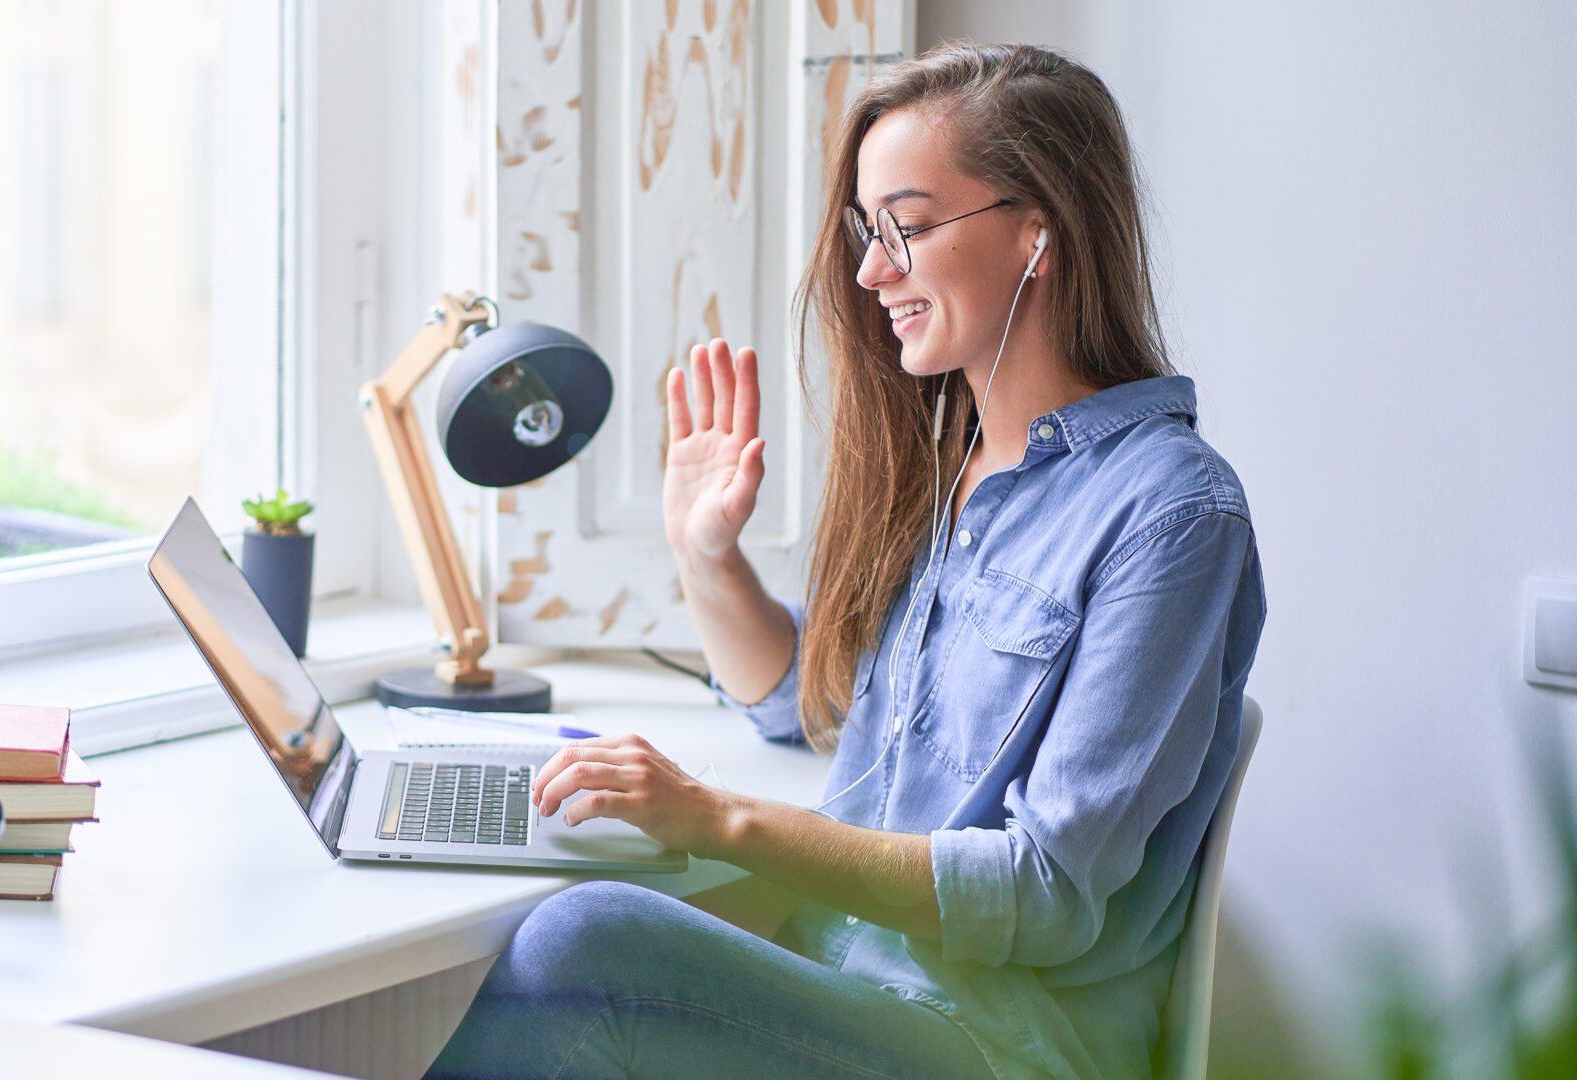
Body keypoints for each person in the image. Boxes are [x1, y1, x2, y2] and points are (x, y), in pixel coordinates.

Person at [426, 41, 1265, 1080]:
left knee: (587, 945)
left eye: (906, 229)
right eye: (870, 233)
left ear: (1037, 232)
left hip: (997, 1047)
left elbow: (1046, 895)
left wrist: (718, 818)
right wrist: (706, 556)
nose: (871, 272)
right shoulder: (945, 470)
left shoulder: (1175, 515)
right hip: (847, 993)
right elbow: (809, 708)